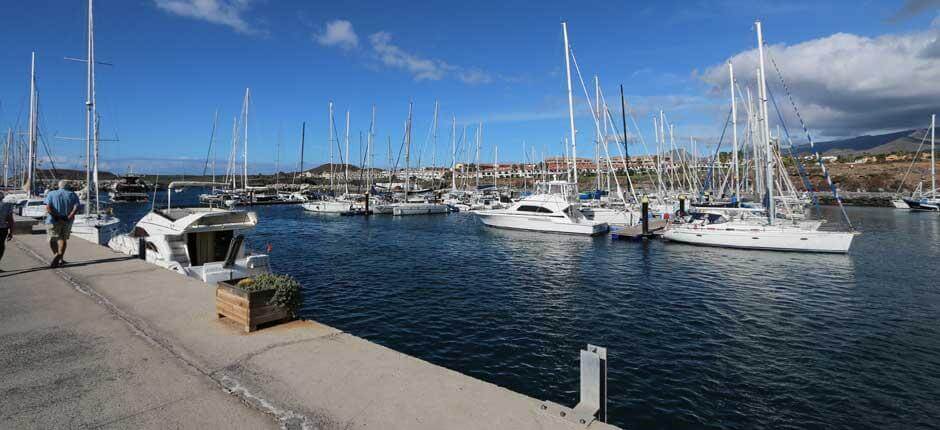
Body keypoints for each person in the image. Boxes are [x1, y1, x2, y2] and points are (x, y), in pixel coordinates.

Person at [44, 180, 80, 268]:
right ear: (67, 186)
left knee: (53, 239)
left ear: (59, 186)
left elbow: (48, 207)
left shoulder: (51, 194)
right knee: (63, 239)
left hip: (53, 220)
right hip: (67, 220)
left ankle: (56, 254)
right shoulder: (73, 194)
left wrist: (55, 216)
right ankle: (60, 258)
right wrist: (69, 216)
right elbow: (76, 207)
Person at [0, 192, 14, 272]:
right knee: (1, 247)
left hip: (2, 229)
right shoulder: (7, 205)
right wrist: (11, 232)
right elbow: (10, 220)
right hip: (2, 229)